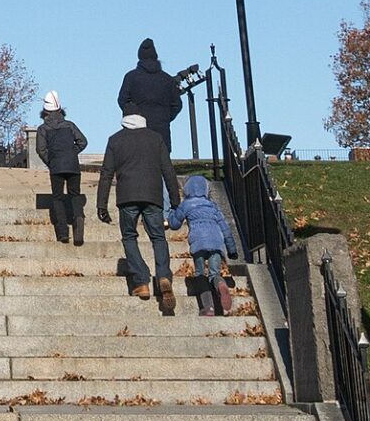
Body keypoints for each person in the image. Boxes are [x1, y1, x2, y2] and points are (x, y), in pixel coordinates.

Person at [94, 108, 182, 313]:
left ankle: (141, 281)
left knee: (129, 237)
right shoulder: (155, 138)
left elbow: (106, 173)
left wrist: (101, 205)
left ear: (124, 120)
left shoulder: (115, 140)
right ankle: (163, 276)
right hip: (153, 196)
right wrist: (175, 199)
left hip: (127, 197)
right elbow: (168, 170)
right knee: (158, 237)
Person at [167, 172, 242, 315]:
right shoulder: (213, 206)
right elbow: (226, 229)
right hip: (216, 242)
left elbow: (174, 224)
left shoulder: (186, 205)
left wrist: (172, 212)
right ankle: (220, 284)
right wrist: (232, 250)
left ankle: (208, 308)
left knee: (200, 274)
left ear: (187, 190)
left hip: (198, 242)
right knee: (214, 273)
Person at [35, 92, 89, 246]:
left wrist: (51, 161)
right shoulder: (70, 125)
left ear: (45, 111)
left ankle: (63, 232)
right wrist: (72, 152)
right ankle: (78, 223)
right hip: (72, 165)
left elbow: (40, 149)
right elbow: (83, 141)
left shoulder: (43, 129)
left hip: (56, 166)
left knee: (58, 198)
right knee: (75, 195)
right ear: (60, 109)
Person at [117, 38, 183, 133]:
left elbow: (122, 100)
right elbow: (177, 105)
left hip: (137, 130)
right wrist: (164, 118)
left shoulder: (131, 77)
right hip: (162, 129)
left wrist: (133, 116)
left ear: (140, 56)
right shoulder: (167, 79)